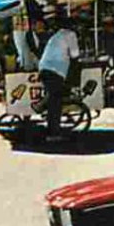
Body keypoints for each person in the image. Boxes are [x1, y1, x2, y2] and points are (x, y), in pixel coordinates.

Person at [38, 10, 80, 140]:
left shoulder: (57, 35)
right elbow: (75, 54)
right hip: (55, 71)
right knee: (55, 102)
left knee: (53, 99)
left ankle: (44, 111)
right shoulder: (70, 35)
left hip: (45, 68)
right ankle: (53, 133)